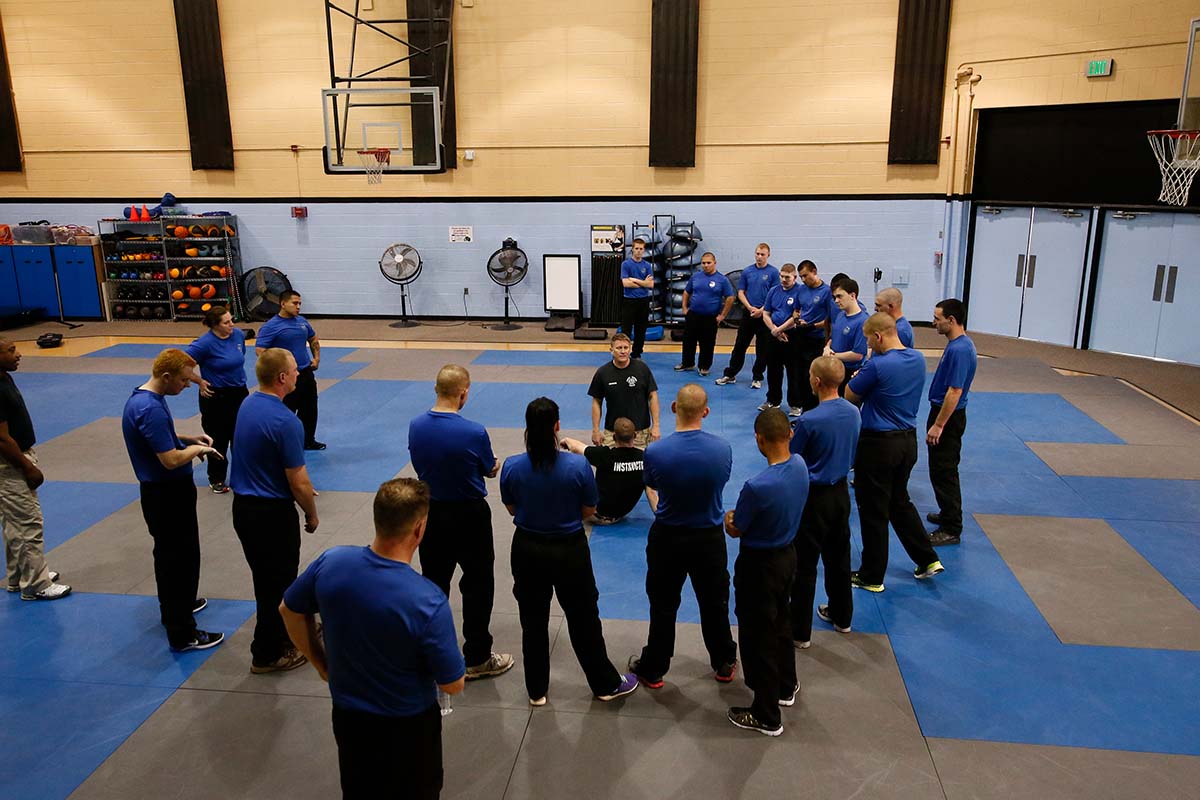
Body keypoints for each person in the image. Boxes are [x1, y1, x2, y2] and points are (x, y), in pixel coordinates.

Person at [281, 478, 465, 800]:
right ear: (419, 529)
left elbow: (289, 610)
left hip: (350, 718)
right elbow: (453, 683)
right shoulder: (427, 601)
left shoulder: (331, 562)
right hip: (408, 728)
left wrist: (322, 664)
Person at [500, 397, 638, 706]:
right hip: (569, 550)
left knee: (532, 620)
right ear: (557, 426)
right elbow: (589, 508)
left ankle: (536, 691)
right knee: (584, 618)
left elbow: (511, 507)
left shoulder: (512, 466)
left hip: (527, 549)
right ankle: (604, 684)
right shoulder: (577, 466)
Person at [407, 365, 513, 681]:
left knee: (434, 583)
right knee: (478, 584)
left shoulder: (416, 425)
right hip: (469, 515)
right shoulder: (474, 431)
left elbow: (419, 462)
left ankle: (432, 652)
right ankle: (478, 656)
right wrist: (492, 467)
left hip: (430, 514)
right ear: (463, 392)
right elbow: (487, 467)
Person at [629, 384, 738, 688]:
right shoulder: (722, 449)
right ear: (706, 412)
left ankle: (654, 668)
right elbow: (720, 481)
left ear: (674, 408)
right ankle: (724, 662)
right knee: (715, 602)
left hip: (669, 536)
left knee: (663, 604)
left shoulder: (655, 451)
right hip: (709, 537)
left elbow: (652, 484)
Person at [122, 349, 223, 650]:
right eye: (183, 380)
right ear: (166, 377)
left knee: (178, 555)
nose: (188, 386)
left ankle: (179, 605)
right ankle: (182, 632)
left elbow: (159, 437)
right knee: (177, 560)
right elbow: (169, 459)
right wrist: (198, 451)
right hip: (166, 494)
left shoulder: (145, 399)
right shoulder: (149, 408)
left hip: (167, 492)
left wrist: (188, 439)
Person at [231, 347, 320, 674]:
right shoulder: (286, 422)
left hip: (244, 508)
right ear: (282, 377)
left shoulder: (249, 403)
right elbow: (298, 481)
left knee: (269, 579)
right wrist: (310, 512)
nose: (299, 373)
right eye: (295, 369)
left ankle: (286, 632)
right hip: (271, 515)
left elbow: (260, 454)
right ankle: (266, 653)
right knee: (275, 584)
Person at [723, 408, 808, 737]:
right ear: (789, 434)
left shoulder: (757, 486)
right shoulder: (799, 465)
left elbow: (736, 527)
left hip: (760, 566)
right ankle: (786, 685)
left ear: (759, 439)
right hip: (787, 556)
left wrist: (730, 518)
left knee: (758, 636)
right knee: (781, 623)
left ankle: (766, 714)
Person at [846, 314, 943, 592]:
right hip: (907, 443)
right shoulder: (917, 358)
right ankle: (927, 559)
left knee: (873, 510)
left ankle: (871, 575)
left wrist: (861, 376)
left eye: (868, 340)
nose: (867, 345)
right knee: (899, 501)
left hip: (878, 444)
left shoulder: (876, 366)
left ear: (877, 337)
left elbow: (850, 397)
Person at [790, 356, 861, 647]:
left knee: (805, 565)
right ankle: (843, 618)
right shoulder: (854, 412)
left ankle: (800, 633)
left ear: (816, 382)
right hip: (841, 494)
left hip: (814, 497)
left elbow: (792, 457)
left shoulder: (808, 420)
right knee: (839, 558)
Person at [0, 337, 69, 601]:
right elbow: (2, 439)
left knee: (13, 522)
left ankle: (20, 575)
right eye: (10, 351)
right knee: (28, 522)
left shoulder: (5, 377)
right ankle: (36, 585)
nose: (18, 355)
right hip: (10, 464)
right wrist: (27, 466)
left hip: (16, 458)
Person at [926, 299, 978, 546]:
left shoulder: (959, 350)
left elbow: (954, 391)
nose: (934, 322)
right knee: (940, 468)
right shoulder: (957, 344)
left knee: (944, 470)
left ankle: (951, 527)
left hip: (948, 416)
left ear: (952, 320)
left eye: (938, 318)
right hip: (946, 413)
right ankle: (947, 513)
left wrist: (939, 424)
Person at [187, 305, 248, 493]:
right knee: (218, 440)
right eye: (227, 322)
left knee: (241, 438)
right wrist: (199, 381)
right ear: (215, 325)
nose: (232, 324)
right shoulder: (203, 344)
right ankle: (217, 478)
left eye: (231, 320)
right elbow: (181, 365)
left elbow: (240, 357)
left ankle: (244, 476)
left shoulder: (237, 335)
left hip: (239, 393)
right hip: (216, 397)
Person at [256, 290, 325, 450]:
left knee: (310, 409)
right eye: (295, 303)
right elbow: (260, 351)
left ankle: (308, 440)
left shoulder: (302, 322)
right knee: (286, 411)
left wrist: (316, 358)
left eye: (300, 303)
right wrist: (278, 369)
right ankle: (282, 443)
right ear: (282, 304)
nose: (298, 307)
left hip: (305, 372)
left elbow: (313, 339)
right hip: (285, 377)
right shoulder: (271, 326)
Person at [560, 417, 659, 524]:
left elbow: (577, 447)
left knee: (573, 471)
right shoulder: (644, 458)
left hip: (595, 514)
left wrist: (566, 440)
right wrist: (661, 519)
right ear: (634, 436)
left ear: (614, 437)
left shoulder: (605, 455)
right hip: (618, 516)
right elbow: (651, 492)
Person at [716, 243, 778, 388]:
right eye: (757, 254)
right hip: (748, 313)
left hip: (765, 315)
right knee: (739, 345)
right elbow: (741, 292)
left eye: (762, 254)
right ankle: (730, 374)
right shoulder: (747, 271)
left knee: (762, 349)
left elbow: (774, 295)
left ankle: (757, 377)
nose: (759, 257)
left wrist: (762, 310)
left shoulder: (774, 273)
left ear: (768, 255)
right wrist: (750, 307)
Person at [588, 333, 661, 447]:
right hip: (613, 432)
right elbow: (596, 401)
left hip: (640, 431)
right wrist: (596, 430)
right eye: (619, 348)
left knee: (640, 464)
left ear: (630, 349)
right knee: (610, 464)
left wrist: (656, 425)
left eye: (626, 348)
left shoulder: (642, 369)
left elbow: (653, 396)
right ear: (611, 350)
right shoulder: (603, 373)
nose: (623, 351)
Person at [675, 252, 734, 377]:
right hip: (693, 315)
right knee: (688, 341)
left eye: (708, 263)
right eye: (703, 263)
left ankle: (704, 366)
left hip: (710, 317)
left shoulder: (722, 280)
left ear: (714, 263)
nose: (706, 265)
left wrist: (722, 315)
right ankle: (687, 363)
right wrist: (685, 308)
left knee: (707, 343)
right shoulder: (696, 277)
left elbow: (730, 298)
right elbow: (686, 292)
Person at [759, 263, 805, 415]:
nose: (784, 280)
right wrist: (774, 330)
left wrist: (780, 329)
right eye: (782, 276)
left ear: (794, 277)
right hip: (774, 335)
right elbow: (766, 313)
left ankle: (796, 404)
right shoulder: (773, 290)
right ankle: (773, 400)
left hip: (792, 335)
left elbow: (796, 315)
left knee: (793, 371)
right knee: (773, 369)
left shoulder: (800, 291)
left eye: (787, 277)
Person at [793, 260, 835, 413]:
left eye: (805, 275)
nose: (803, 279)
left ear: (814, 271)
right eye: (801, 277)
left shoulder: (826, 292)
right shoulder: (801, 290)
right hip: (801, 336)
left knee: (814, 375)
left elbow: (829, 320)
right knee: (800, 375)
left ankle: (815, 409)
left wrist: (812, 325)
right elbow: (797, 310)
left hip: (817, 338)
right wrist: (797, 319)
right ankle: (804, 408)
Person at [825, 279, 869, 391]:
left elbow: (858, 354)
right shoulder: (840, 315)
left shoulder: (863, 321)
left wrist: (832, 356)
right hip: (835, 368)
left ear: (852, 296)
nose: (836, 300)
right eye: (835, 297)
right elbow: (833, 337)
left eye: (840, 296)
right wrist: (827, 347)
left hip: (849, 373)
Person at [619, 237, 654, 359]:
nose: (639, 251)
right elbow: (625, 283)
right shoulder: (626, 264)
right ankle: (624, 353)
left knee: (641, 329)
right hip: (629, 301)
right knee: (626, 329)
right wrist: (643, 282)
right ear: (632, 249)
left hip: (643, 301)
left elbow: (650, 284)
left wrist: (634, 280)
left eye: (641, 249)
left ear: (644, 250)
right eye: (636, 248)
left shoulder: (647, 265)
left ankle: (637, 353)